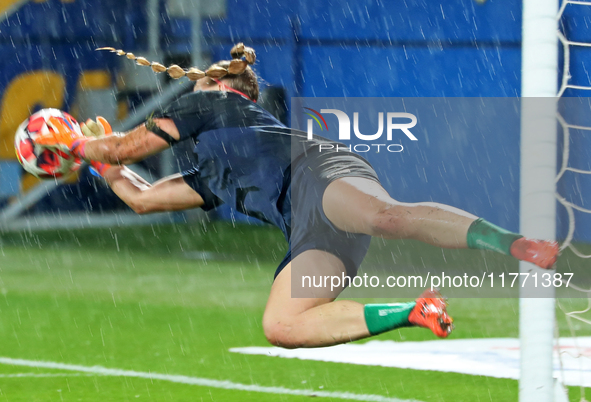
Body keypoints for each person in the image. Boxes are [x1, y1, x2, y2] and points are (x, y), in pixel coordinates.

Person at [38, 43, 559, 349]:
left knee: (386, 216)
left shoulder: (216, 105)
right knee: (281, 324)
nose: (196, 86)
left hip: (319, 174)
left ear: (226, 89)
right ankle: (414, 310)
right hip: (308, 231)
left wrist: (80, 143)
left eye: (206, 82)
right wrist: (100, 160)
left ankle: (513, 243)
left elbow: (133, 143)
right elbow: (142, 197)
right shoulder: (213, 173)